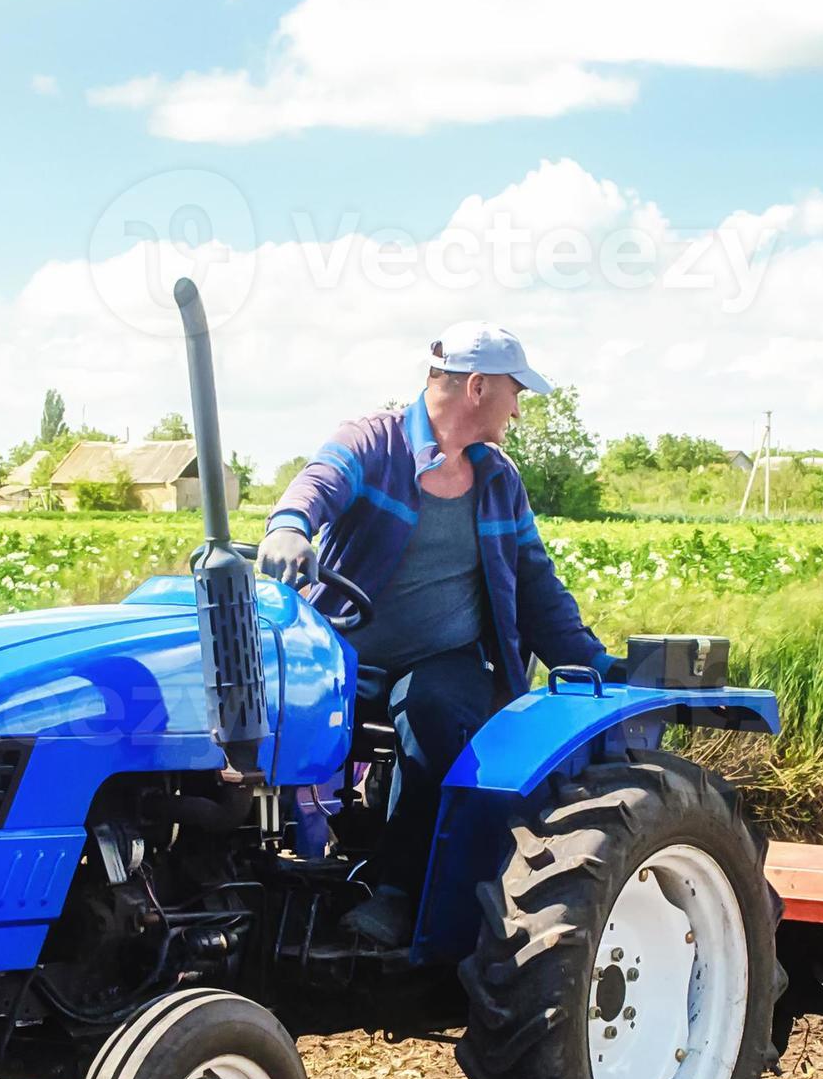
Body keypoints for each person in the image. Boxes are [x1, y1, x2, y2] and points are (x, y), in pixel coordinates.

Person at [258, 321, 610, 949]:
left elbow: (536, 587)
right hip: (345, 657)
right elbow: (319, 480)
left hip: (446, 661)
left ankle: (397, 894)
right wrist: (289, 526)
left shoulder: (499, 480)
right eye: (515, 392)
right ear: (477, 387)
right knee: (265, 710)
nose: (520, 407)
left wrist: (594, 667)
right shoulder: (375, 442)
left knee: (432, 705)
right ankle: (279, 865)